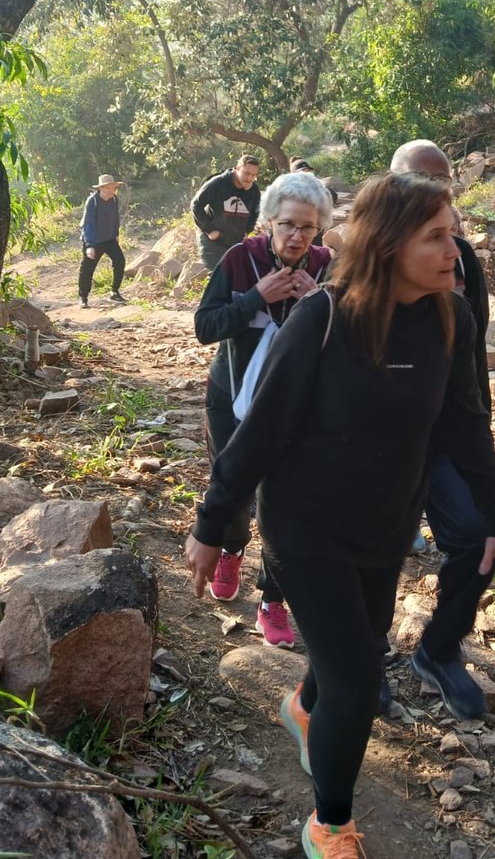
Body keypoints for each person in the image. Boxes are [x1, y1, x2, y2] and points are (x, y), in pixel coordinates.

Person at [185, 172, 495, 859]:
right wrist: (210, 521)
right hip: (303, 529)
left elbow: (466, 425)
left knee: (352, 654)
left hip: (384, 527)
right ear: (389, 242)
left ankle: (306, 710)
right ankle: (329, 825)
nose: (453, 250)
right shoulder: (324, 318)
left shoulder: (447, 320)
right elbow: (260, 434)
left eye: (452, 233)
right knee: (359, 679)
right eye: (435, 236)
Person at [193, 171, 334, 650]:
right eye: (288, 225)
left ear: (319, 230)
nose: (297, 237)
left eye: (308, 228)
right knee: (230, 486)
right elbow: (204, 326)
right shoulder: (239, 260)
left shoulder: (327, 267)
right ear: (269, 222)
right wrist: (257, 298)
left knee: (287, 502)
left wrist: (316, 305)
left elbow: (345, 337)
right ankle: (231, 547)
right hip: (230, 396)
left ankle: (273, 600)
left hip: (297, 405)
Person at [389, 139, 494, 719]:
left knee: (476, 540)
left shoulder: (462, 260)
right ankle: (354, 666)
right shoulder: (357, 260)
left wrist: (477, 424)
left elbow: (470, 349)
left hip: (445, 433)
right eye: (420, 181)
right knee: (369, 554)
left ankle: (439, 648)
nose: (434, 194)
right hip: (379, 442)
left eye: (443, 184)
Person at [190, 154, 262, 271]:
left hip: (235, 241)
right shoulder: (218, 183)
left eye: (253, 175)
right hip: (213, 242)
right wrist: (209, 230)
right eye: (247, 173)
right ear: (237, 169)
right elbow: (196, 205)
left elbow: (255, 212)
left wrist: (247, 231)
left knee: (236, 279)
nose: (250, 178)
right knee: (218, 277)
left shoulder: (254, 190)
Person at [78, 175, 126, 308]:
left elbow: (115, 217)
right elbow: (88, 224)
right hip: (94, 240)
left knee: (120, 261)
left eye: (114, 188)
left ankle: (114, 292)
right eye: (109, 188)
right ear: (102, 188)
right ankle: (83, 297)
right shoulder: (92, 201)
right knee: (88, 268)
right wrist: (90, 246)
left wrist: (116, 233)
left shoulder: (114, 199)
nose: (112, 191)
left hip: (109, 238)